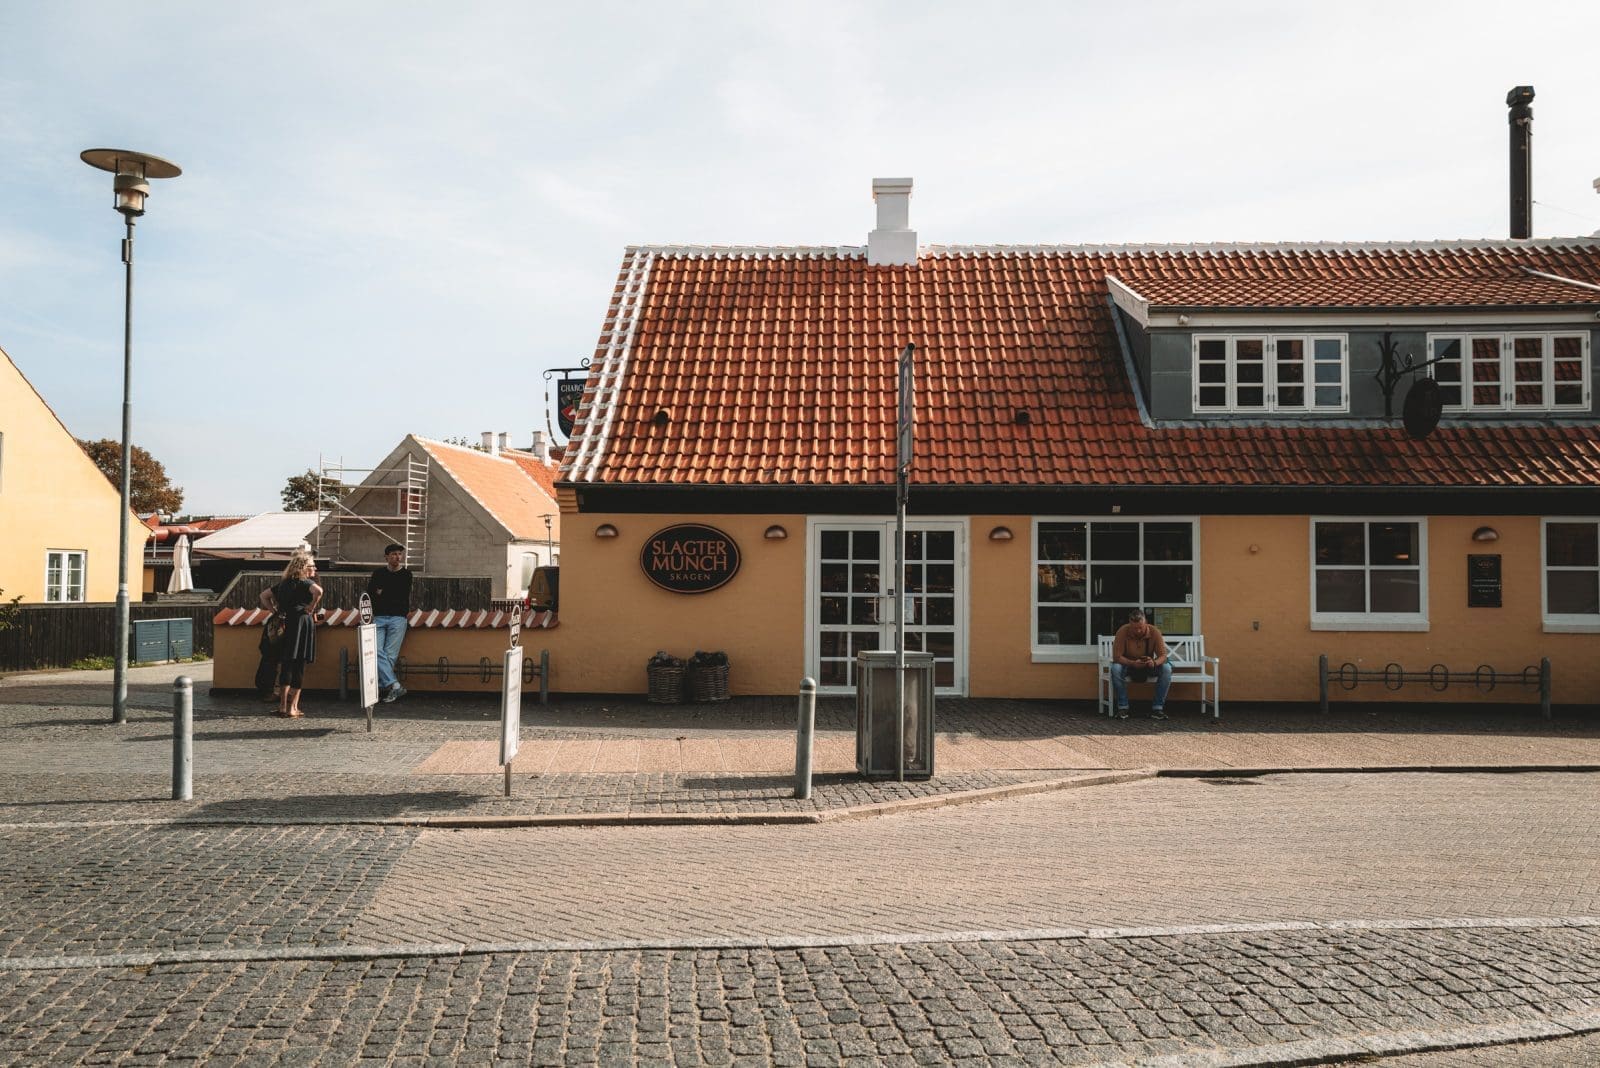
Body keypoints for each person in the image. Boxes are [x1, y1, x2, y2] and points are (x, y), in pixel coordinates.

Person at [260, 554, 323, 718]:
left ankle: (282, 706)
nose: (315, 568)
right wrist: (311, 607)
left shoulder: (283, 584)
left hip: (286, 623)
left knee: (286, 664)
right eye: (312, 566)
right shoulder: (306, 582)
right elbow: (319, 591)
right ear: (304, 567)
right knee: (299, 664)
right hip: (301, 623)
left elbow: (264, 596)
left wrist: (274, 611)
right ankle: (293, 707)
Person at [367, 542, 413, 703]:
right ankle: (395, 685)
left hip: (398, 618)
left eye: (400, 554)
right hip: (379, 617)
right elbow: (371, 593)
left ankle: (384, 688)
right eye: (394, 554)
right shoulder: (378, 573)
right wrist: (382, 593)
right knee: (375, 650)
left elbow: (400, 594)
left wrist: (382, 592)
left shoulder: (406, 575)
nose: (397, 557)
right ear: (386, 557)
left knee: (390, 655)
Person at [1109, 608, 1172, 720]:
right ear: (1130, 624)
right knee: (1115, 668)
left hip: (1148, 665)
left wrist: (1154, 662)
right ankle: (1123, 708)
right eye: (1134, 628)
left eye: (1140, 628)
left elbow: (1163, 656)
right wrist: (1133, 663)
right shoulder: (1122, 631)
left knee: (1167, 668)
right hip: (1128, 665)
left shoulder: (1154, 632)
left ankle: (1157, 708)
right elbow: (1117, 657)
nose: (1138, 631)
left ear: (1146, 622)